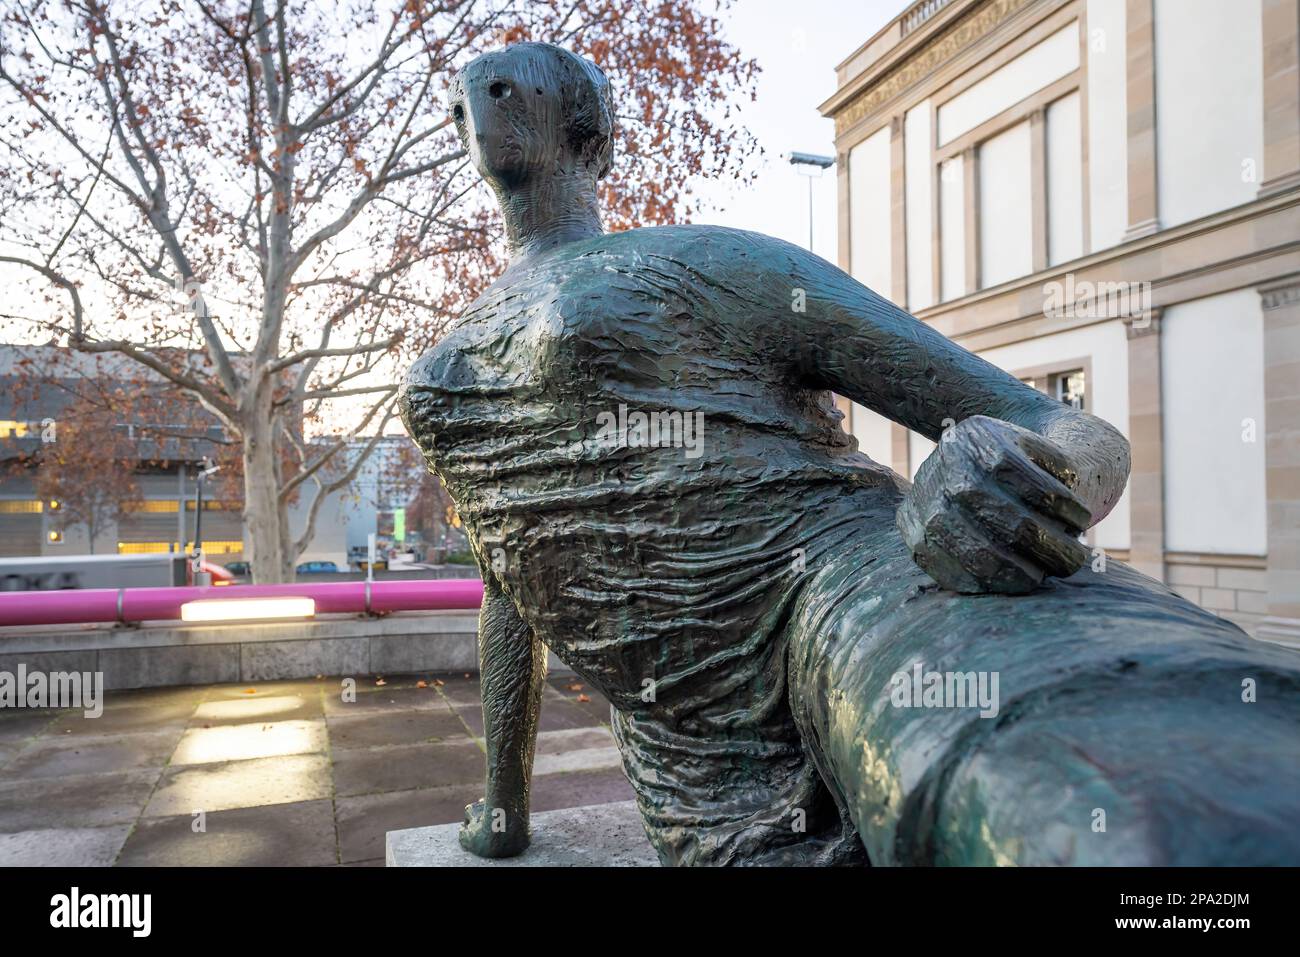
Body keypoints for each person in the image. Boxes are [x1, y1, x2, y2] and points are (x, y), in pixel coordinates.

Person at [401, 42, 1300, 865]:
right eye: (473, 90)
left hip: (846, 592)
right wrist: (503, 807)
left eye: (523, 77)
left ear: (590, 135)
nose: (491, 88)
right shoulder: (450, 353)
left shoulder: (707, 259)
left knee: (1077, 792)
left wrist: (1015, 478)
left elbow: (1069, 428)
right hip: (686, 752)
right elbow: (509, 579)